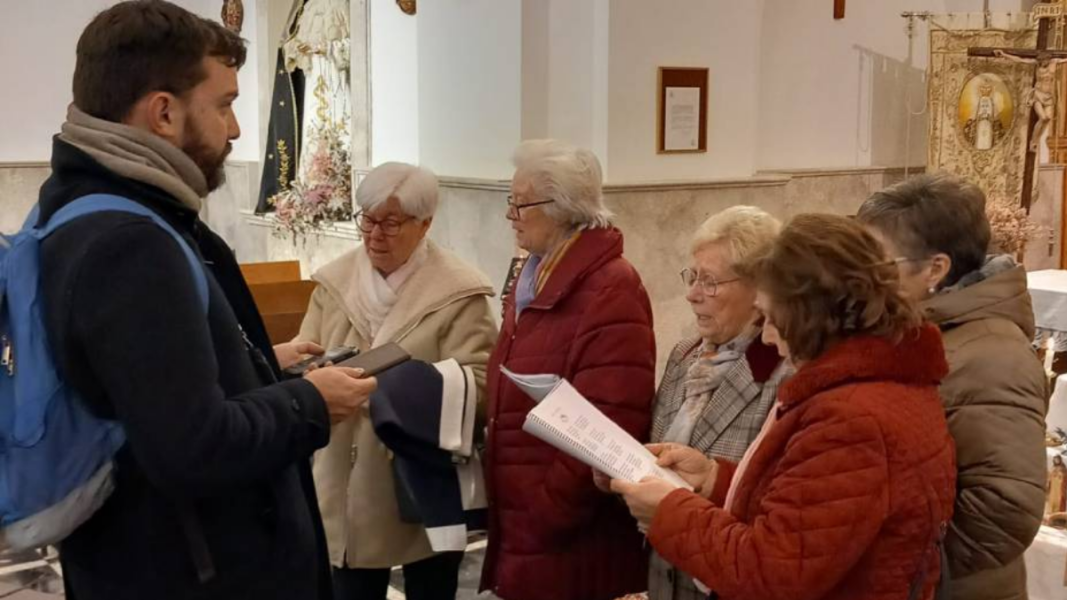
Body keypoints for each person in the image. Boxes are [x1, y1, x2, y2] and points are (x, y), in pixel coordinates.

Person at [37, 2, 376, 599]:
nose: (238, 128)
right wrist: (309, 401)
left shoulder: (85, 207)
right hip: (193, 574)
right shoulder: (129, 243)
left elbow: (142, 387)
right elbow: (193, 449)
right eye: (223, 105)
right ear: (164, 113)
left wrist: (255, 364)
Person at [612, 214, 957, 600]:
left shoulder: (852, 419)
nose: (769, 337)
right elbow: (811, 518)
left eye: (774, 320)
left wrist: (670, 515)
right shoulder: (878, 383)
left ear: (811, 316)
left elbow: (774, 573)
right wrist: (713, 478)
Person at [296, 162, 498, 600]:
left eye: (390, 223)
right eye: (366, 220)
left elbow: (483, 387)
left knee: (430, 586)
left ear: (425, 224)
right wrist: (309, 374)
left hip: (418, 480)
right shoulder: (334, 282)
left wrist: (398, 389)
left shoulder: (458, 293)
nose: (374, 235)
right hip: (342, 480)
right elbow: (305, 349)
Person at [480, 140, 656, 600]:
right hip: (522, 521)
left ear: (562, 208)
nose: (510, 216)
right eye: (509, 202)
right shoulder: (534, 273)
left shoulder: (610, 287)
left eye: (520, 204)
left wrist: (547, 514)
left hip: (569, 536)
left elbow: (611, 417)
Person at [858, 174, 1048, 600]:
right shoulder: (917, 332)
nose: (860, 279)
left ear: (935, 269)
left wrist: (901, 567)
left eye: (875, 266)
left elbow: (1005, 510)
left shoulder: (992, 355)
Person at [594, 206, 790, 600]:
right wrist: (618, 470)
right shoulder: (685, 356)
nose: (692, 294)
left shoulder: (783, 372)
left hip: (726, 580)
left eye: (710, 281)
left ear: (759, 292)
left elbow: (770, 501)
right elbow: (660, 454)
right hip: (664, 575)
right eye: (692, 276)